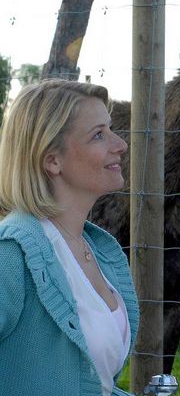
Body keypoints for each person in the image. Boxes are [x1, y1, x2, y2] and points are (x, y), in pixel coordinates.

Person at [0, 79, 139, 396]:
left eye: (110, 129)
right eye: (98, 135)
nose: (121, 144)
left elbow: (91, 382)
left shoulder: (95, 249)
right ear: (52, 160)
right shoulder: (11, 254)